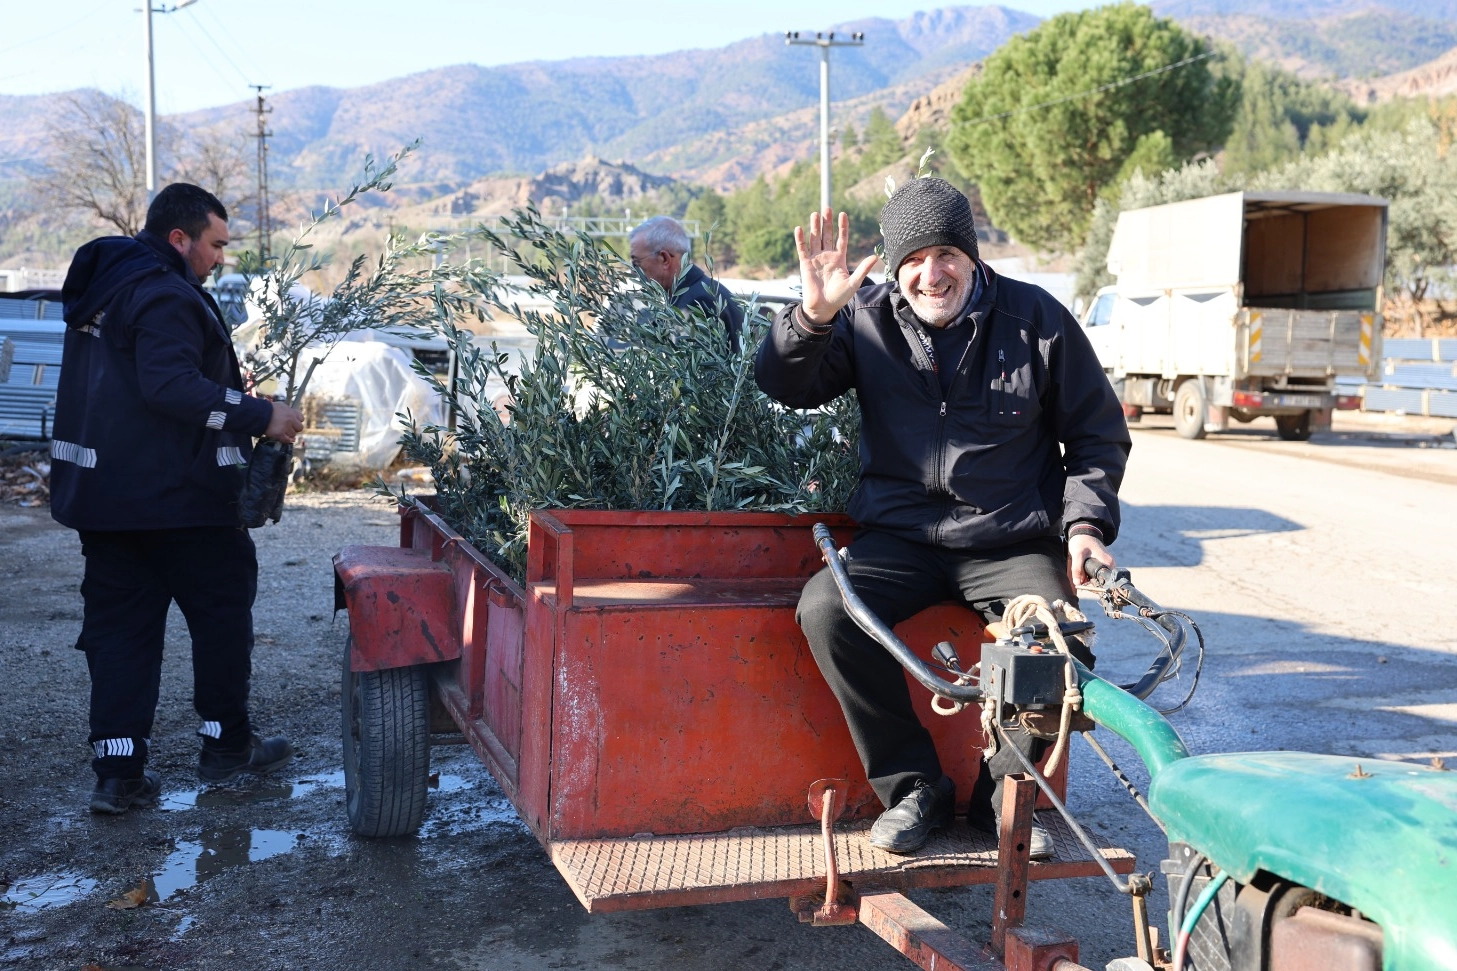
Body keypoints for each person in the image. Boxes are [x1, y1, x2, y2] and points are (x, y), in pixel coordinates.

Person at [754, 178, 1130, 856]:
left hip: (1010, 539)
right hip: (899, 537)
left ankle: (1003, 798)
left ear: (972, 256)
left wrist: (1084, 528)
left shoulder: (1036, 319)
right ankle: (913, 788)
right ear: (896, 268)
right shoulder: (862, 318)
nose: (932, 274)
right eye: (914, 259)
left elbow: (1097, 436)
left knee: (1056, 640)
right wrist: (810, 318)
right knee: (827, 610)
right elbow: (785, 385)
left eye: (947, 254)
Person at [52, 183, 305, 815]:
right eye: (215, 244)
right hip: (181, 501)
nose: (220, 257)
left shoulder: (109, 289)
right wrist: (261, 414)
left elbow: (141, 385)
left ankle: (118, 775)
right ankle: (227, 745)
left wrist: (222, 387)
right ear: (179, 238)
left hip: (107, 501)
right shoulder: (164, 292)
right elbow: (168, 387)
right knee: (221, 618)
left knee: (120, 634)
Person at [629, 215, 744, 350]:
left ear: (664, 259)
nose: (633, 271)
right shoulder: (701, 292)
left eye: (636, 262)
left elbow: (692, 362)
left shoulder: (696, 304)